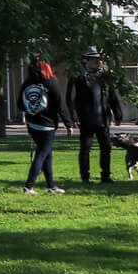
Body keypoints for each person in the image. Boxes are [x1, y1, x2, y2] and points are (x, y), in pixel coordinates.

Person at [66, 47, 125, 184]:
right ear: (86, 60)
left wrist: (118, 113)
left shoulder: (104, 75)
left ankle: (106, 175)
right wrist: (73, 117)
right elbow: (70, 98)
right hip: (86, 118)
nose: (97, 62)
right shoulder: (77, 76)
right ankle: (85, 177)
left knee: (106, 147)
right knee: (86, 148)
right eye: (94, 59)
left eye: (98, 59)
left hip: (103, 118)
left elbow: (112, 95)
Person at [18, 59, 67, 194]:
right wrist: (68, 123)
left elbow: (20, 105)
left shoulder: (27, 83)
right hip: (47, 125)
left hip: (32, 124)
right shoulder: (51, 82)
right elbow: (60, 105)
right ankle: (29, 186)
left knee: (47, 154)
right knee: (41, 154)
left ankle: (51, 186)